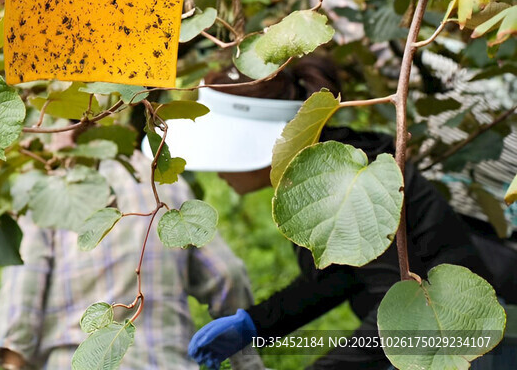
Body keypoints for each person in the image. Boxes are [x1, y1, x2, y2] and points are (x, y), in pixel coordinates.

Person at [173, 58, 498, 370]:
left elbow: (395, 307)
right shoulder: (318, 167)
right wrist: (258, 323)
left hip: (476, 340)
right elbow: (341, 275)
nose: (217, 171)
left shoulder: (344, 181)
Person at [0, 144, 265, 370]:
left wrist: (12, 360)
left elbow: (21, 302)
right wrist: (246, 361)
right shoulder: (165, 185)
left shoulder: (43, 191)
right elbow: (228, 273)